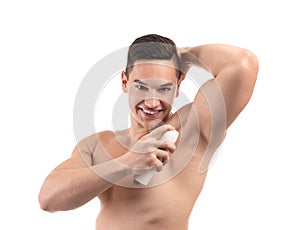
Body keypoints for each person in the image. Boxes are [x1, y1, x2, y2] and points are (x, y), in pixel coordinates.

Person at [39, 34, 259, 229]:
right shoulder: (98, 144)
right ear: (125, 82)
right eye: (141, 86)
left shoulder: (193, 130)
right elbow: (48, 199)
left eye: (164, 88)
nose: (152, 102)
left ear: (178, 85)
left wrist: (182, 56)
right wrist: (127, 163)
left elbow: (243, 64)